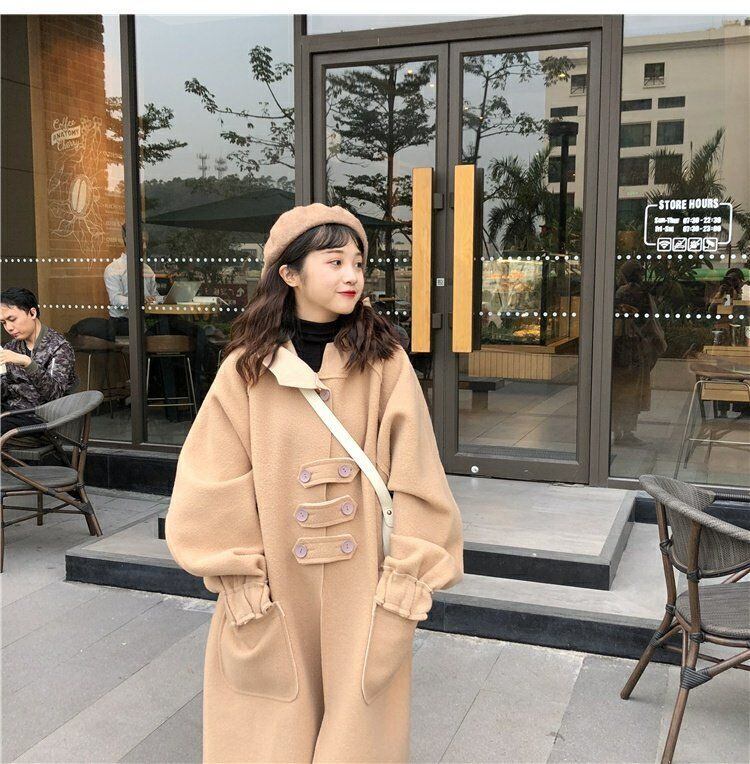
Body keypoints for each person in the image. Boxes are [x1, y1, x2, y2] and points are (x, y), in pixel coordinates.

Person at [164, 204, 464, 763]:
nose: (352, 275)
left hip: (364, 589)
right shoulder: (246, 370)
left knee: (357, 736)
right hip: (276, 587)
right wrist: (242, 584)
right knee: (269, 734)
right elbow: (211, 483)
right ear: (290, 273)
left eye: (358, 263)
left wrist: (406, 583)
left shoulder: (386, 364)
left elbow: (419, 477)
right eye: (334, 261)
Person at [0, 287, 78, 435]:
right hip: (10, 414)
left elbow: (55, 395)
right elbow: (4, 392)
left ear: (32, 313)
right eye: (3, 323)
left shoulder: (59, 347)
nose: (9, 328)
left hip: (41, 421)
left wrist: (28, 363)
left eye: (12, 319)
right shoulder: (11, 347)